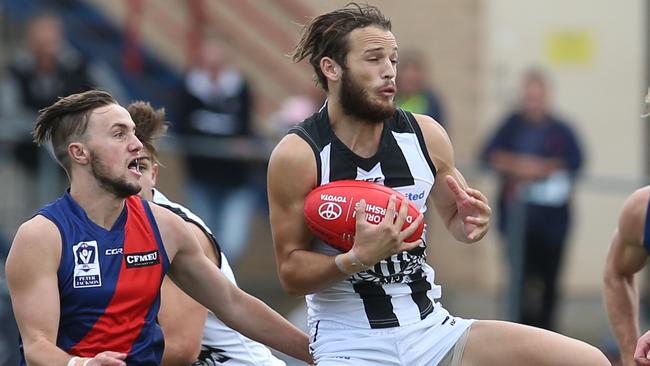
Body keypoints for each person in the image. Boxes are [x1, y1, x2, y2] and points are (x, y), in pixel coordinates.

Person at [267, 3, 608, 365]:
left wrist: (470, 221)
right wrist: (355, 259)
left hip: (431, 331)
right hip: (351, 343)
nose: (389, 72)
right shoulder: (299, 154)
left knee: (590, 361)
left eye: (393, 60)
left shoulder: (425, 135)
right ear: (331, 68)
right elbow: (291, 274)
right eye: (373, 59)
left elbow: (457, 221)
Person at [4, 90, 312, 366]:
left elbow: (233, 303)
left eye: (134, 134)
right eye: (119, 134)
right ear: (79, 153)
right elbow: (37, 347)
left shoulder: (165, 226)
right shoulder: (42, 236)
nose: (137, 145)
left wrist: (318, 354)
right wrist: (81, 365)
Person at [127, 100, 286, 365]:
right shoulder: (98, 228)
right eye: (125, 166)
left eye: (140, 167)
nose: (133, 178)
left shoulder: (173, 231)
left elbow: (180, 348)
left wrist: (83, 359)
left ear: (154, 173)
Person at [481, 69, 584, 331]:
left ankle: (548, 335)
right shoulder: (510, 125)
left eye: (538, 96)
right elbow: (488, 154)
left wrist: (541, 168)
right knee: (518, 283)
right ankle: (519, 335)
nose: (533, 102)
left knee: (549, 284)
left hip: (553, 226)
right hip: (516, 225)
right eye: (529, 96)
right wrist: (521, 166)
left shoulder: (561, 129)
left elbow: (575, 162)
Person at [176, 39, 257, 267]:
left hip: (235, 179)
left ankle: (222, 281)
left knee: (232, 242)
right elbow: (184, 125)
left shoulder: (239, 87)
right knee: (203, 237)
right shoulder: (190, 85)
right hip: (200, 175)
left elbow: (244, 128)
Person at [395, 49, 446, 126]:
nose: (410, 75)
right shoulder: (389, 98)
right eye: (405, 69)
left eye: (415, 70)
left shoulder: (431, 101)